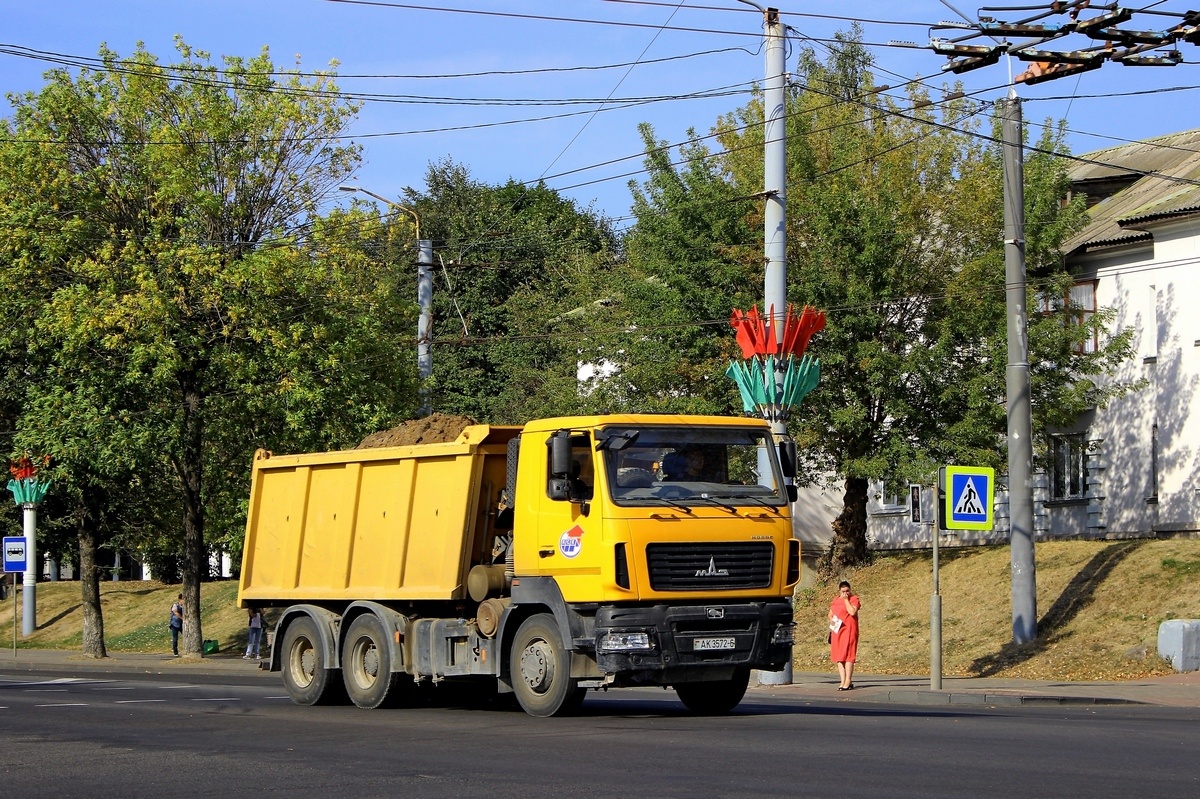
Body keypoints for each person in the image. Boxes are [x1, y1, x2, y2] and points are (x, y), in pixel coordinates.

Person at [829, 580, 861, 690]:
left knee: (848, 656)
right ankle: (842, 680)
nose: (845, 593)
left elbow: (852, 612)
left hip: (849, 630)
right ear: (839, 591)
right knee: (839, 657)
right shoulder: (835, 600)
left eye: (847, 591)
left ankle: (848, 680)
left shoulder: (854, 599)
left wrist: (846, 600)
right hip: (838, 631)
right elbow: (830, 614)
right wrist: (833, 623)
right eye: (843, 591)